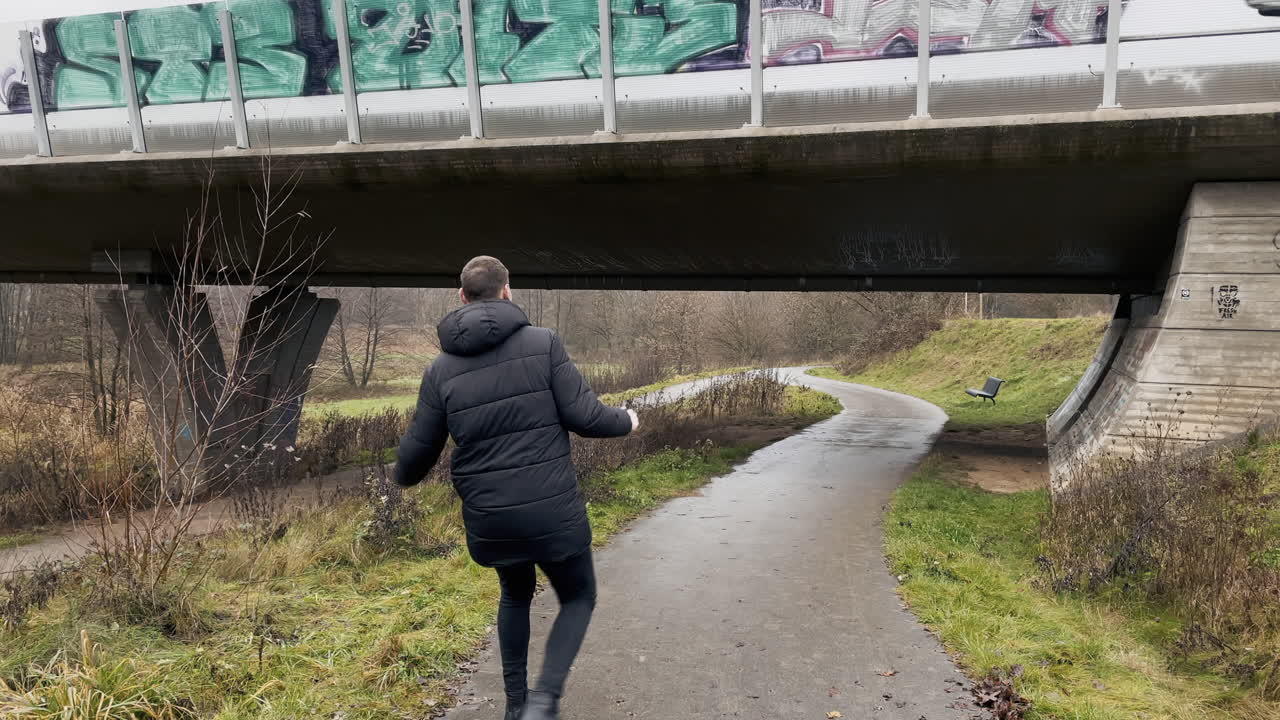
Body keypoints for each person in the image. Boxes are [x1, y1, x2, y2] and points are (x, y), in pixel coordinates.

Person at [393, 256, 638, 720]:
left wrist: (397, 477)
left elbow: (414, 460)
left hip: (493, 520)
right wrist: (627, 420)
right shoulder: (543, 344)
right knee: (578, 596)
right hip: (553, 514)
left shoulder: (440, 370)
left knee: (515, 594)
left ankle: (515, 707)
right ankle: (544, 701)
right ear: (507, 290)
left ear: (461, 297)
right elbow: (586, 417)